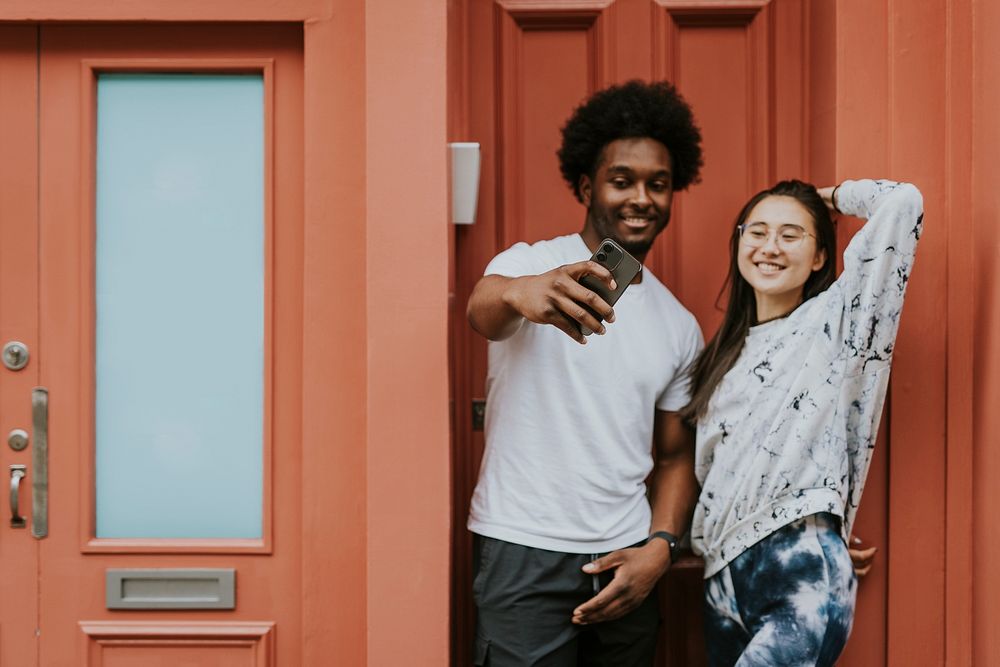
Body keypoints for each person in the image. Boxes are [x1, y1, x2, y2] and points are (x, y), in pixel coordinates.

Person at [465, 80, 704, 666]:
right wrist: (527, 293)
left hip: (627, 558)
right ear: (585, 185)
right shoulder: (527, 265)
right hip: (523, 546)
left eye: (658, 184)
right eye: (622, 180)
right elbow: (483, 310)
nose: (641, 198)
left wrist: (660, 548)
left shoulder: (679, 325)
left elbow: (675, 457)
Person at [681, 178, 923, 666]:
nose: (770, 247)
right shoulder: (720, 357)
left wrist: (826, 197)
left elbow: (902, 202)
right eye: (758, 232)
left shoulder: (835, 323)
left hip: (799, 574)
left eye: (791, 235)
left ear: (819, 256)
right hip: (721, 578)